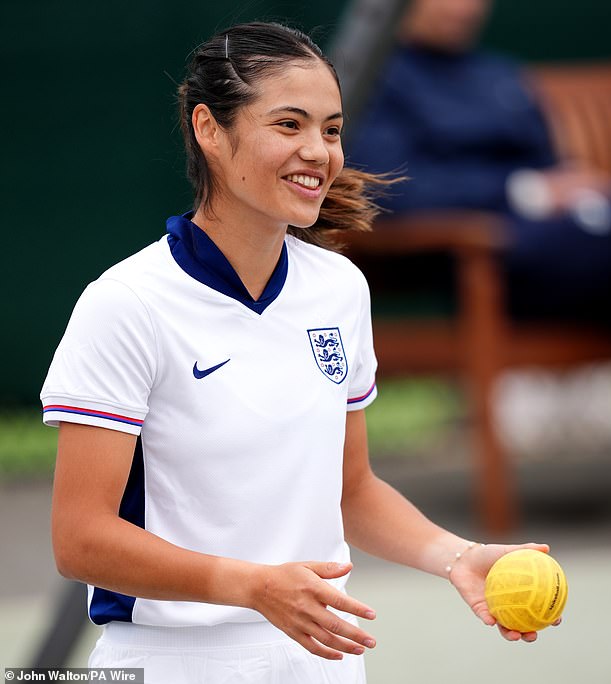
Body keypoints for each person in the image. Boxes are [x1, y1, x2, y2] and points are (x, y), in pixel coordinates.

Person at [41, 22, 555, 684]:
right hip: (169, 662)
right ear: (209, 129)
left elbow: (352, 490)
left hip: (324, 658)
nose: (318, 151)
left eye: (332, 129)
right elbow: (79, 539)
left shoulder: (338, 288)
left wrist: (459, 556)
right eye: (289, 124)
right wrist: (249, 585)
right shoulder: (128, 304)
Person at [347, 0, 611, 328]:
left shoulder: (499, 75)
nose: (462, 8)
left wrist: (578, 188)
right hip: (475, 258)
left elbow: (548, 165)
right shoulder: (375, 81)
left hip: (568, 243)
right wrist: (526, 191)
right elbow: (389, 187)